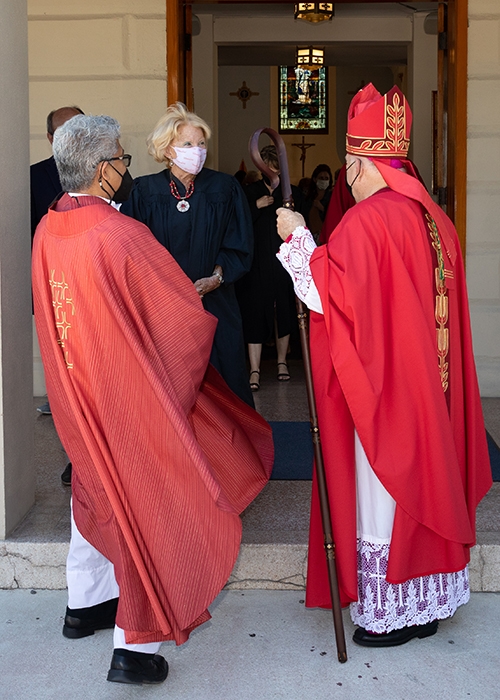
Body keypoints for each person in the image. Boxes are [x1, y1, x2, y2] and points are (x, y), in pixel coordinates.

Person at [32, 114, 273, 684]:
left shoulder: (48, 230)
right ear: (102, 169)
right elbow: (178, 318)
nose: (125, 166)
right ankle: (135, 648)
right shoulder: (119, 234)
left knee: (94, 490)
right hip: (123, 393)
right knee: (148, 502)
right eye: (121, 157)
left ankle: (85, 604)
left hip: (75, 387)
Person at [276, 84, 492, 647]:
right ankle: (427, 606)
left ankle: (391, 611)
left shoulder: (368, 221)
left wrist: (296, 239)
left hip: (390, 391)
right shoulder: (435, 219)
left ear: (361, 163)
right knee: (428, 479)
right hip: (433, 390)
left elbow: (331, 296)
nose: (346, 174)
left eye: (349, 163)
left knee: (386, 492)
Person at [121, 103, 254, 406]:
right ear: (168, 150)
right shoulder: (144, 192)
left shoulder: (225, 188)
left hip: (216, 304)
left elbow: (241, 244)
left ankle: (229, 453)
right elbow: (131, 252)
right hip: (163, 311)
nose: (198, 150)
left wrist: (216, 278)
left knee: (225, 384)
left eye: (202, 143)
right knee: (170, 391)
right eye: (188, 144)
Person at [31, 105, 84, 484]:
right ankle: (76, 459)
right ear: (51, 139)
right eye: (66, 129)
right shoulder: (33, 178)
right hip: (56, 294)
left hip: (96, 290)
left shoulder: (108, 169)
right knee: (67, 383)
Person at [236, 145, 303, 391]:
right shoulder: (249, 191)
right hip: (257, 263)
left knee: (284, 310)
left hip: (284, 263)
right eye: (267, 167)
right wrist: (257, 205)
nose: (271, 172)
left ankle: (282, 362)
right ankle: (254, 369)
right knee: (255, 312)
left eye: (275, 168)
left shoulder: (291, 192)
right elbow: (239, 220)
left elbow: (301, 224)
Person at [303, 163, 334, 243]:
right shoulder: (308, 198)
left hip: (325, 237)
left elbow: (334, 218)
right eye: (321, 178)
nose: (324, 180)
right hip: (309, 236)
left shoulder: (332, 197)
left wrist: (322, 208)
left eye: (326, 178)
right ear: (314, 179)